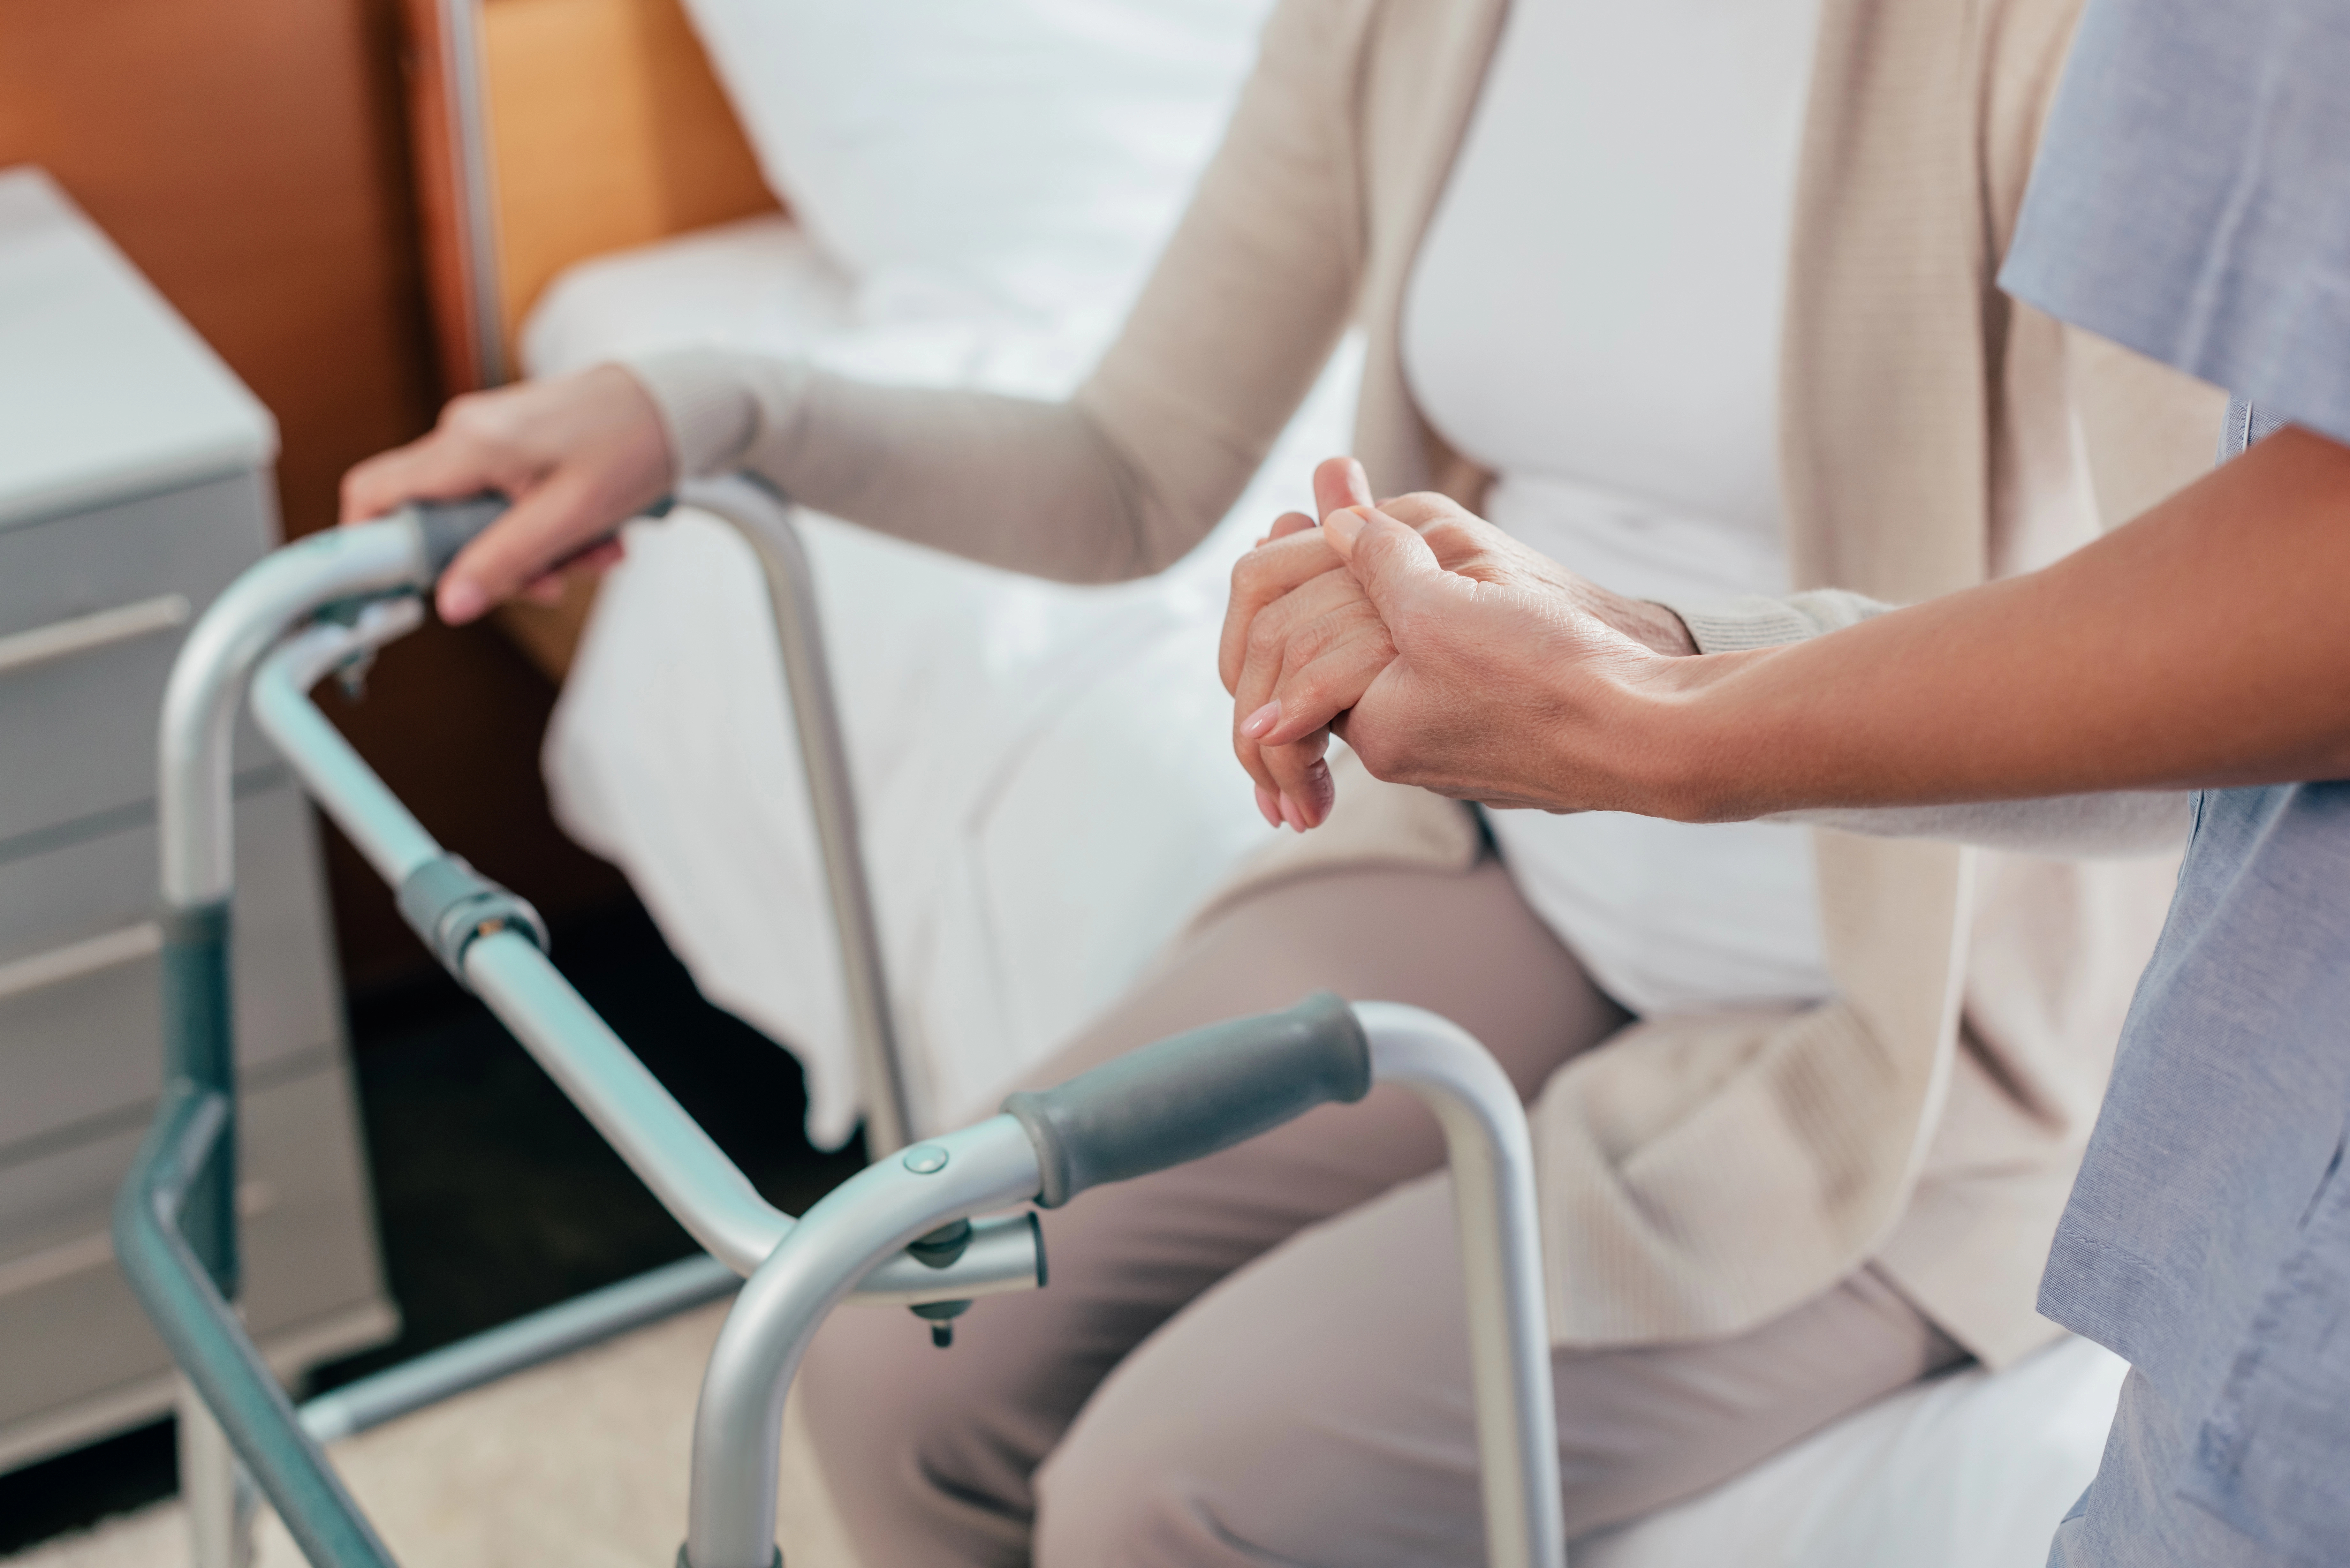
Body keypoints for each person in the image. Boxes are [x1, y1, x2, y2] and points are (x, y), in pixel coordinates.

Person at [341, 0, 2224, 1559]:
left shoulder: (2083, 41)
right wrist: (707, 413)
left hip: (1925, 1036)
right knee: (883, 1335)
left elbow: (2198, 691)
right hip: (1515, 883)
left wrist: (1645, 664)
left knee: (1172, 1507)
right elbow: (1131, 465)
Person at [1231, 1, 2350, 1561]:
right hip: (1548, 883)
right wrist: (1632, 658)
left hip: (1973, 1055)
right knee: (913, 1351)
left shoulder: (2053, 45)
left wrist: (1650, 710)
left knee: (1175, 1498)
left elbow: (2260, 634)